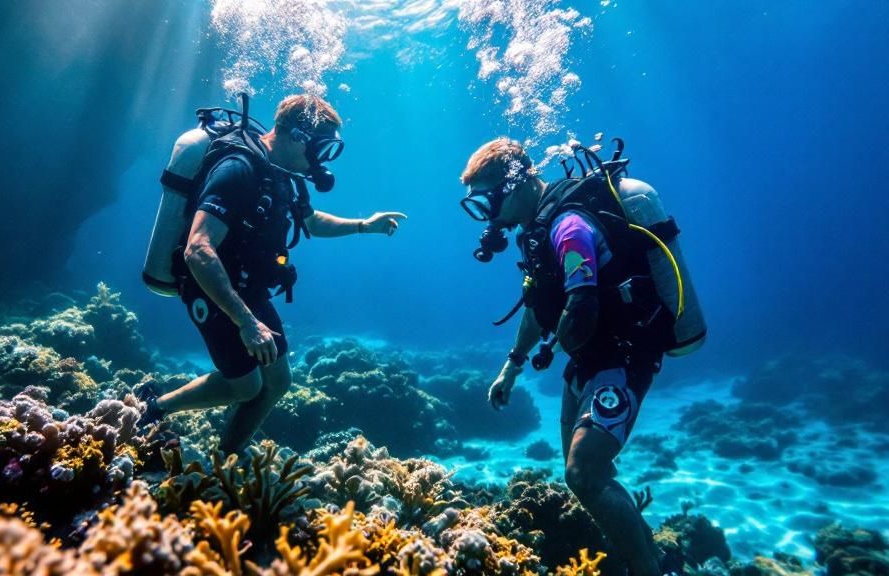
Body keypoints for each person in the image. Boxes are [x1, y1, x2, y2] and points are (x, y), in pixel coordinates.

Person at [459, 138, 704, 576]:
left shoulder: (568, 227)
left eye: (489, 201)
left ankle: (649, 569)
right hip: (589, 364)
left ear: (516, 184)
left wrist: (551, 351)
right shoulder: (535, 233)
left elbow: (582, 304)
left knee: (584, 471)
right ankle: (657, 558)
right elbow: (538, 306)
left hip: (621, 359)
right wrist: (511, 368)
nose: (488, 216)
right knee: (587, 471)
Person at [142, 94, 406, 456]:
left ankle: (225, 460)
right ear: (297, 136)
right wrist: (247, 322)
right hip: (208, 282)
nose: (322, 161)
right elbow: (198, 249)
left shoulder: (284, 175)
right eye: (323, 148)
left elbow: (310, 220)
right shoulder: (239, 168)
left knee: (278, 381)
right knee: (245, 387)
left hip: (247, 285)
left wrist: (363, 225)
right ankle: (153, 409)